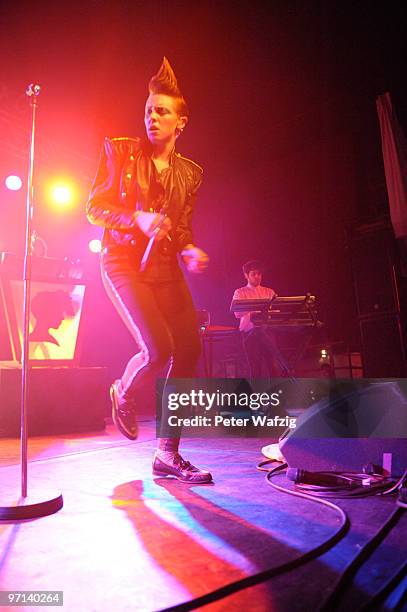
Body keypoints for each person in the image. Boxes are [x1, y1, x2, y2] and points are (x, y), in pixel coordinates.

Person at [86, 58, 212, 483]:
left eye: (162, 111)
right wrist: (134, 219)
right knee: (158, 350)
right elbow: (94, 208)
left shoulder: (190, 174)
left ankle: (166, 454)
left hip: (163, 268)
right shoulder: (120, 150)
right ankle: (122, 390)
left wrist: (190, 247)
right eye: (148, 111)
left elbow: (181, 229)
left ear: (182, 122)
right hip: (121, 262)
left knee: (190, 352)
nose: (152, 117)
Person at [232, 260, 289, 378]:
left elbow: (275, 312)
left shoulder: (269, 292)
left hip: (267, 331)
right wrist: (255, 312)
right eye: (253, 274)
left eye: (259, 274)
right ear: (246, 276)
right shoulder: (240, 292)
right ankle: (257, 396)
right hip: (249, 333)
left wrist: (255, 311)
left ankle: (275, 394)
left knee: (273, 364)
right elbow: (237, 313)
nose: (257, 276)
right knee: (254, 367)